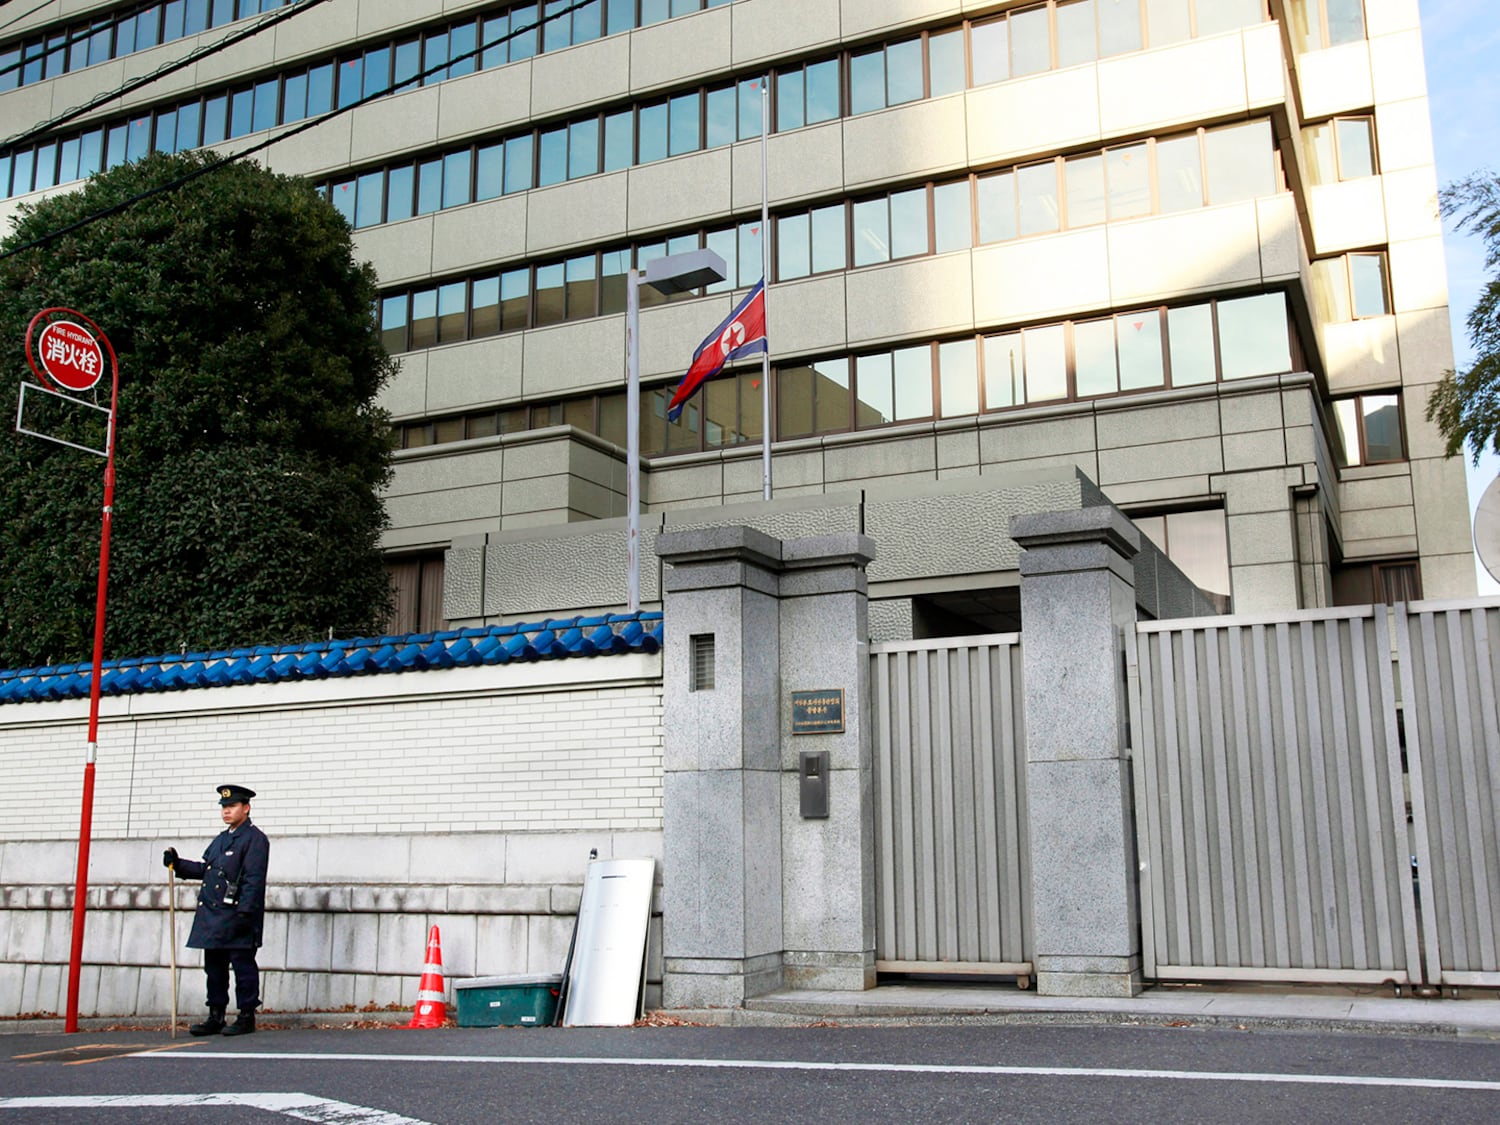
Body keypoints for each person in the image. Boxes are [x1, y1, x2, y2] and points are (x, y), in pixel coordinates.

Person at [163, 783, 270, 1036]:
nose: (226, 811)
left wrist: (245, 913)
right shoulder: (222, 839)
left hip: (238, 915)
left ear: (246, 808)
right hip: (214, 917)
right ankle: (216, 1015)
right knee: (214, 968)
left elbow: (253, 879)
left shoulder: (255, 839)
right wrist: (178, 865)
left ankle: (246, 1015)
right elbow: (206, 869)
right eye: (224, 807)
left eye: (232, 806)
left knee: (243, 966)